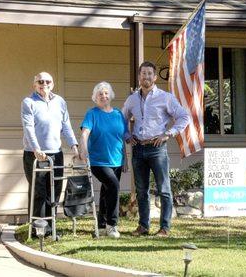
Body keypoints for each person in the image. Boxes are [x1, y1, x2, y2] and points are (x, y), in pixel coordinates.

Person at [122, 61, 190, 237]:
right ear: (139, 76)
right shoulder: (132, 99)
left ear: (155, 76)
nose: (146, 77)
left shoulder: (165, 97)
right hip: (138, 148)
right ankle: (143, 226)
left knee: (164, 189)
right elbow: (121, 120)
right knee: (141, 190)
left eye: (149, 74)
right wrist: (127, 136)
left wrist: (168, 134)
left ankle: (164, 228)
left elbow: (184, 116)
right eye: (143, 74)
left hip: (157, 148)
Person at [21, 72, 79, 235]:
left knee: (54, 190)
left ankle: (50, 226)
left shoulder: (60, 101)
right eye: (40, 81)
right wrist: (36, 148)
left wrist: (73, 144)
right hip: (35, 154)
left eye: (47, 81)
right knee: (39, 191)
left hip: (56, 153)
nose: (44, 84)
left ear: (52, 84)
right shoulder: (29, 102)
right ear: (34, 85)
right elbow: (29, 127)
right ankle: (38, 229)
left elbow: (66, 125)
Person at [78, 81, 128, 239]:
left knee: (107, 190)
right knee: (113, 185)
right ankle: (112, 225)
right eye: (100, 94)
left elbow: (122, 137)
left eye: (106, 93)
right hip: (98, 161)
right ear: (95, 97)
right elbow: (85, 133)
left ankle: (101, 223)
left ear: (111, 95)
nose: (103, 96)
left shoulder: (118, 114)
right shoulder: (92, 114)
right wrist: (83, 150)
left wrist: (125, 159)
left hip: (117, 160)